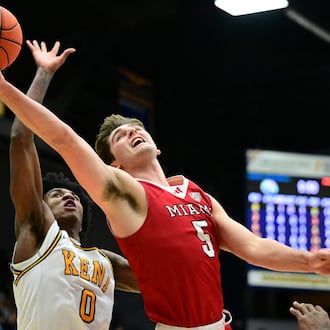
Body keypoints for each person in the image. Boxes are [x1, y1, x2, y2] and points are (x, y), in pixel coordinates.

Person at [2, 44, 330, 330]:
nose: (132, 133)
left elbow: (254, 248)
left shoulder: (196, 194)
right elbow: (62, 137)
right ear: (114, 165)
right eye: (120, 137)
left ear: (157, 147)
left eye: (136, 129)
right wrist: (5, 88)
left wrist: (309, 261)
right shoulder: (122, 192)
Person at [8, 40, 139, 330]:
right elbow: (20, 137)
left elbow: (163, 281)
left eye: (75, 197)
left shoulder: (107, 262)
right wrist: (44, 73)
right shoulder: (37, 230)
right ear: (43, 205)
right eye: (56, 194)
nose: (69, 197)